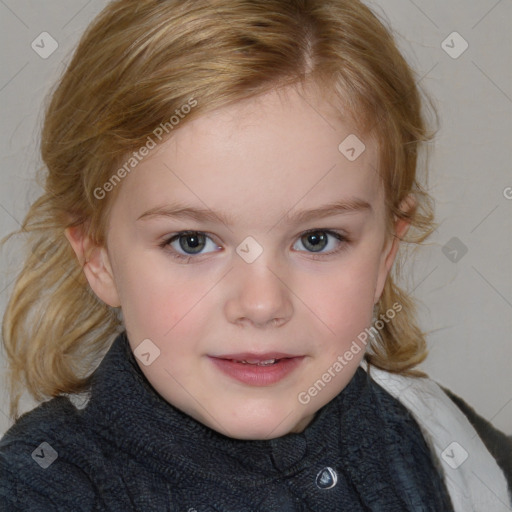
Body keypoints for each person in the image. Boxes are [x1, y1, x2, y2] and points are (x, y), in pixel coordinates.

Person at [0, 0, 510, 510]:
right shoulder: (38, 488)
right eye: (192, 242)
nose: (262, 304)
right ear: (97, 256)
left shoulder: (448, 442)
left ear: (385, 251)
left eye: (318, 239)